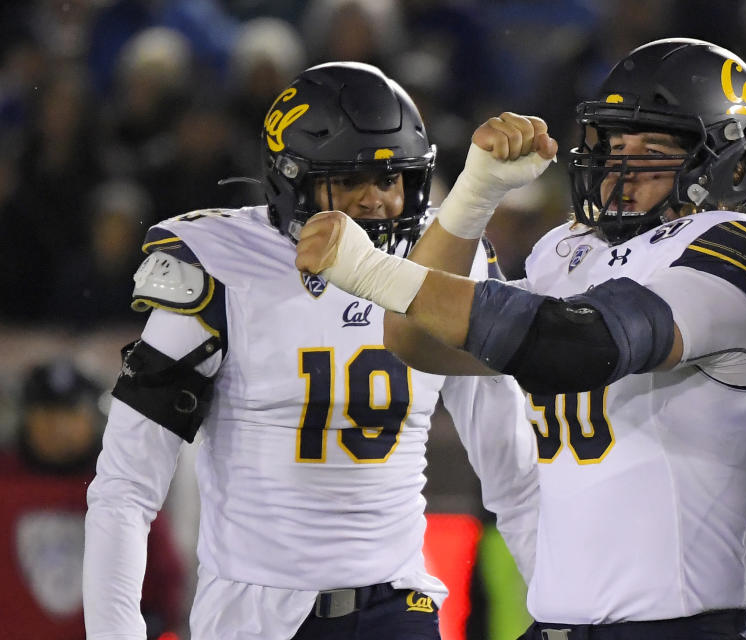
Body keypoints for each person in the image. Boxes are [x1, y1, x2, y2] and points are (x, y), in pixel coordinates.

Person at [295, 38, 746, 639]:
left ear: (732, 163)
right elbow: (414, 341)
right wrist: (473, 197)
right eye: (616, 144)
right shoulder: (572, 250)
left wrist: (374, 271)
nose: (621, 166)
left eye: (654, 150)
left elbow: (582, 346)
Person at [83, 62, 539, 640]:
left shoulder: (446, 262)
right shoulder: (221, 264)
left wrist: (562, 609)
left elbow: (513, 470)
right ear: (290, 181)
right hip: (258, 615)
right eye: (349, 179)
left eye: (393, 178)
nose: (376, 200)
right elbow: (126, 483)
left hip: (398, 604)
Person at [0, 360, 184, 639]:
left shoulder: (122, 487)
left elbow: (163, 576)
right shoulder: (6, 483)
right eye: (47, 415)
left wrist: (156, 623)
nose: (59, 429)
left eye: (72, 415)